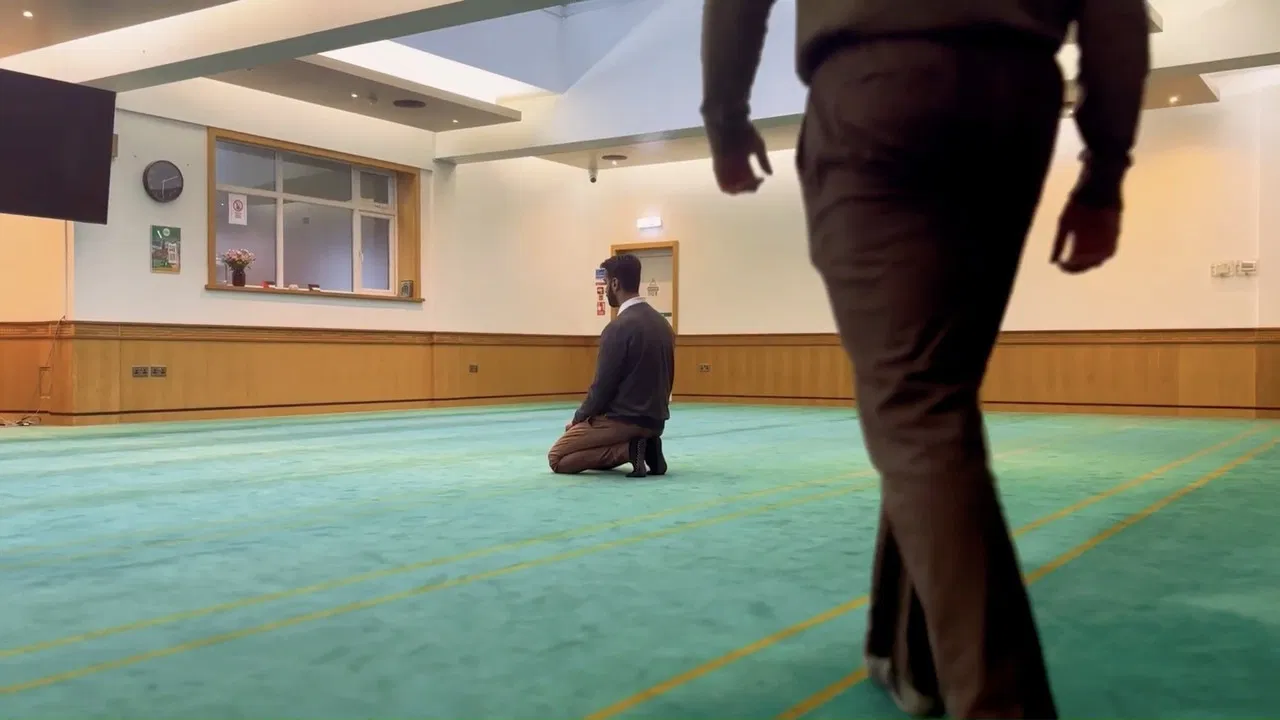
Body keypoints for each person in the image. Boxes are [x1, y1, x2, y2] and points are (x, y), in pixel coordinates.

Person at [701, 2, 1149, 718]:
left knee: (916, 405)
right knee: (934, 397)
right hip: (1015, 99)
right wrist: (1104, 171)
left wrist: (725, 119)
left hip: (875, 89)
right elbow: (1115, 11)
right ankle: (911, 655)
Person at [548, 253, 674, 478]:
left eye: (605, 283)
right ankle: (646, 446)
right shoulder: (663, 324)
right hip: (656, 422)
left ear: (615, 284)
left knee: (558, 458)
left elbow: (602, 388)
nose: (605, 289)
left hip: (623, 421)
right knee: (585, 450)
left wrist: (578, 420)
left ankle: (631, 450)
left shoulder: (618, 328)